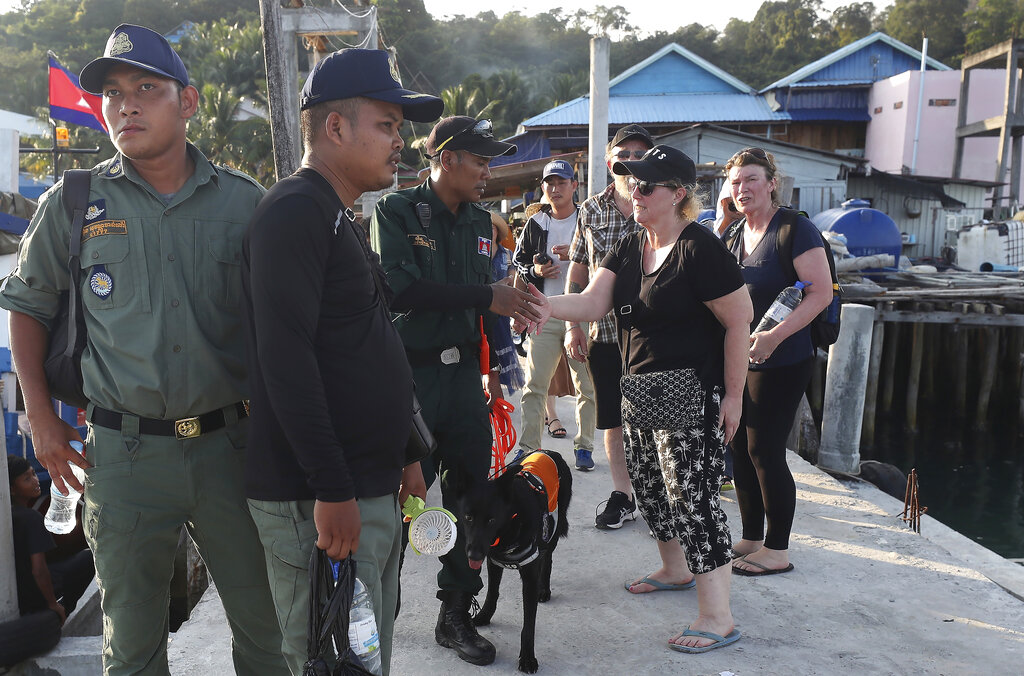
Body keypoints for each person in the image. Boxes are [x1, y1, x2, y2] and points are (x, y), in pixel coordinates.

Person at [0, 24, 286, 675]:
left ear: (186, 103)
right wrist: (41, 422)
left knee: (267, 632)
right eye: (113, 93)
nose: (125, 104)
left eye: (146, 89)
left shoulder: (245, 204)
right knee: (131, 647)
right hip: (123, 460)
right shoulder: (73, 203)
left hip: (231, 450)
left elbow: (290, 323)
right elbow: (26, 308)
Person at [242, 49, 443, 675]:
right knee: (332, 662)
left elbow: (361, 343)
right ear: (335, 128)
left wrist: (405, 453)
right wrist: (332, 488)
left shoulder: (337, 214)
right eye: (386, 126)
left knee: (362, 656)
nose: (400, 143)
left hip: (365, 483)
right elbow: (286, 361)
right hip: (322, 500)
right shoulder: (295, 212)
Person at [523, 145, 752, 653]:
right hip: (639, 388)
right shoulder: (629, 246)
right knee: (647, 489)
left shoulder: (700, 248)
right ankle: (675, 569)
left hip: (691, 393)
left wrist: (734, 396)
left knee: (693, 501)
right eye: (632, 183)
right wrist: (536, 305)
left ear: (679, 194)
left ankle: (719, 618)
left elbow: (740, 321)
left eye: (647, 185)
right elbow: (590, 301)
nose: (636, 192)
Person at [370, 116, 543, 666]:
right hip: (410, 383)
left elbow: (488, 299)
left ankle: (455, 614)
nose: (487, 171)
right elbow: (400, 290)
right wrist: (485, 294)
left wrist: (498, 365)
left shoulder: (484, 224)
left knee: (473, 503)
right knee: (399, 501)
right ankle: (379, 614)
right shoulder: (394, 212)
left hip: (466, 381)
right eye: (480, 160)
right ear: (446, 159)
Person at [723, 147, 832, 577]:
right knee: (739, 446)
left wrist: (773, 337)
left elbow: (820, 292)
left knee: (765, 450)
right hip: (742, 357)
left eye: (751, 179)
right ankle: (751, 537)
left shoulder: (795, 229)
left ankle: (778, 549)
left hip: (784, 358)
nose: (743, 188)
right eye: (735, 182)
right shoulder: (734, 233)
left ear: (772, 183)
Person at [566, 124, 654, 528]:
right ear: (609, 160)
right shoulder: (590, 209)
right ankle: (623, 494)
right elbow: (579, 269)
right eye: (625, 153)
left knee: (655, 417)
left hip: (653, 334)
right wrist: (572, 326)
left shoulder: (662, 202)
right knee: (613, 418)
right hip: (602, 332)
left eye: (641, 153)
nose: (633, 160)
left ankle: (657, 495)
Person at [512, 159, 596, 470]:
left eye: (561, 182)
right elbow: (518, 262)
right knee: (534, 385)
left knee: (586, 386)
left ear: (575, 186)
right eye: (549, 183)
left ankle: (584, 446)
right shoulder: (536, 223)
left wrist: (575, 254)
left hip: (582, 313)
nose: (554, 188)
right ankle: (529, 448)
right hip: (543, 313)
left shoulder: (587, 220)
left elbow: (603, 262)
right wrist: (535, 269)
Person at [7, 455, 94, 627]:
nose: (35, 480)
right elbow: (39, 570)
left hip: (17, 590)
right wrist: (52, 604)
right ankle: (63, 609)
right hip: (33, 594)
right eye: (27, 479)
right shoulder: (31, 518)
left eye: (33, 474)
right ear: (11, 489)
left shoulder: (10, 515)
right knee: (88, 559)